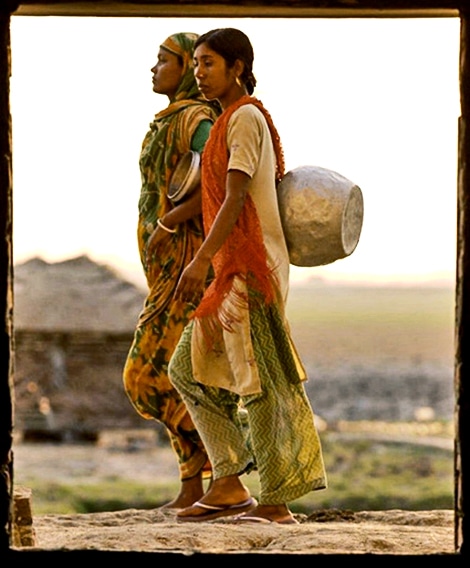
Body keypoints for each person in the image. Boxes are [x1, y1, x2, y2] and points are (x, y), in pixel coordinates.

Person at [168, 27, 327, 525]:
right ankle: (230, 483)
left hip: (249, 269)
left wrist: (198, 261)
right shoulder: (224, 123)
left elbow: (236, 198)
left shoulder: (245, 119)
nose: (199, 72)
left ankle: (275, 502)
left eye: (209, 62)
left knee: (257, 382)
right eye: (195, 63)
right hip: (230, 270)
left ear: (237, 67)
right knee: (187, 370)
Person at [123, 32, 220, 509]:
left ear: (183, 69)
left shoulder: (195, 119)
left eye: (163, 60)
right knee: (180, 379)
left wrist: (169, 221)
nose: (154, 68)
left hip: (188, 268)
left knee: (146, 377)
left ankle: (232, 463)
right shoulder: (169, 120)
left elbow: (218, 177)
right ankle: (192, 490)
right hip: (165, 269)